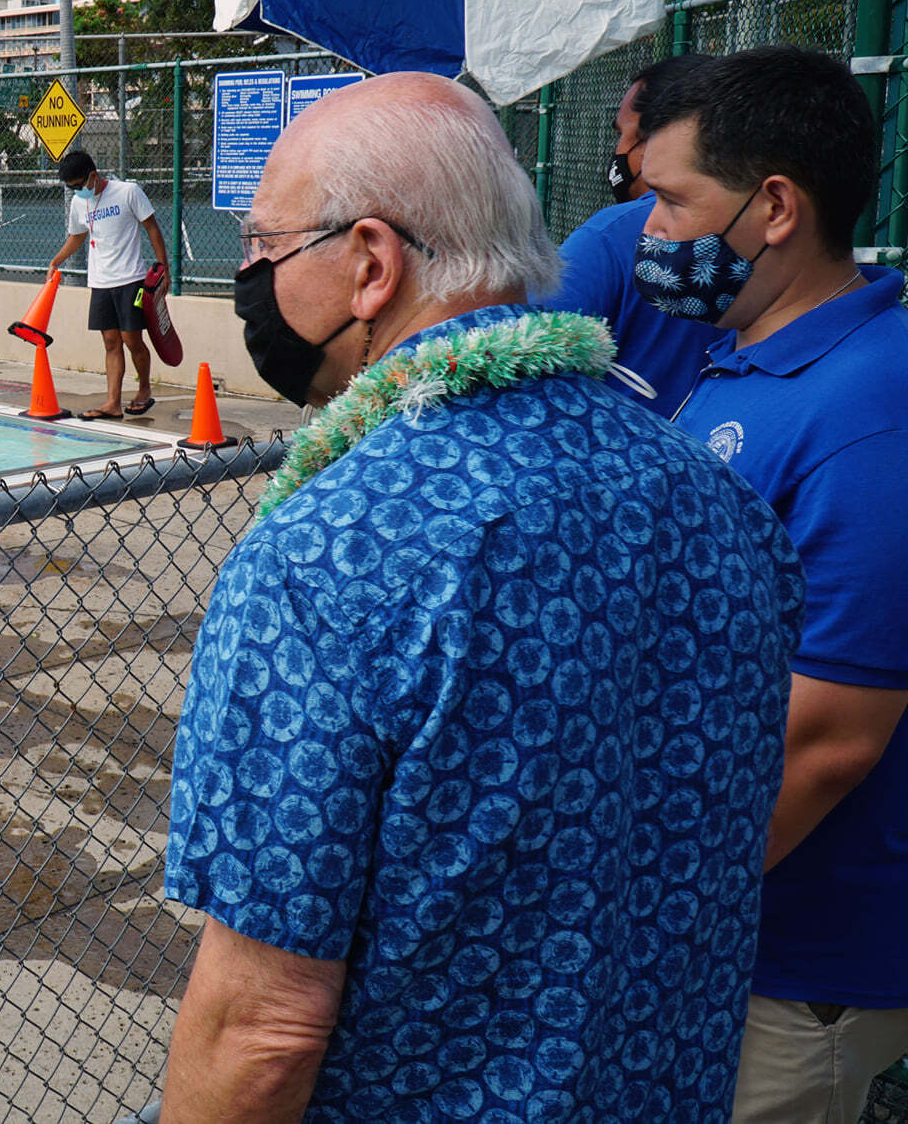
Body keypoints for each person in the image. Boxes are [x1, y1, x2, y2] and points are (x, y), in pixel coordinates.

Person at [159, 72, 807, 1121]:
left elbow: (261, 1027)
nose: (248, 278)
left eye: (262, 247)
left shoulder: (333, 551)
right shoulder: (710, 495)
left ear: (370, 262)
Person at [563, 47, 908, 1123]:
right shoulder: (750, 358)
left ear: (772, 207)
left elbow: (829, 737)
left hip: (783, 960)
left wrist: (646, 911)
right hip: (724, 927)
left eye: (669, 200)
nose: (647, 232)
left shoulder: (867, 413)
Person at [537, 54, 722, 415]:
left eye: (624, 134)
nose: (619, 151)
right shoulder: (757, 230)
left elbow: (527, 364)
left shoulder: (609, 237)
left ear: (657, 138)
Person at [44, 148, 168, 419]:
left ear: (93, 175)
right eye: (71, 188)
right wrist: (57, 261)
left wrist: (163, 270)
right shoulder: (79, 203)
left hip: (130, 279)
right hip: (100, 282)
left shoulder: (128, 192)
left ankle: (144, 389)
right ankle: (112, 403)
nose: (77, 191)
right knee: (111, 342)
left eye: (79, 185)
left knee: (132, 339)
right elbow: (77, 237)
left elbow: (152, 228)